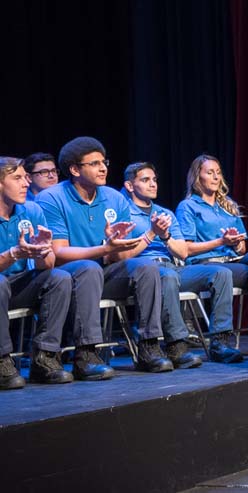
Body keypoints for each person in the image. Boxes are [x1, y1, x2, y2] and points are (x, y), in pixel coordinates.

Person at [37, 136, 173, 376]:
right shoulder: (52, 198)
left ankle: (149, 346)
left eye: (104, 162)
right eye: (95, 163)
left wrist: (123, 245)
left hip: (105, 273)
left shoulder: (114, 198)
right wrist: (105, 248)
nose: (103, 168)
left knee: (145, 266)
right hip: (68, 276)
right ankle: (86, 354)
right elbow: (57, 253)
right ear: (74, 169)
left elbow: (123, 256)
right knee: (87, 268)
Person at [175, 154, 248, 357]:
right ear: (197, 177)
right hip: (205, 266)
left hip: (232, 262)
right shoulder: (188, 206)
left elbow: (243, 250)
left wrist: (236, 242)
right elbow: (187, 249)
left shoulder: (228, 205)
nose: (215, 177)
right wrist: (221, 242)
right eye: (209, 172)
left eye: (218, 173)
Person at [122, 161, 240, 365]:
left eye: (154, 180)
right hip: (142, 271)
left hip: (173, 267)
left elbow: (183, 252)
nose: (153, 184)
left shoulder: (165, 213)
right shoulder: (124, 212)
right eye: (145, 180)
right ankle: (176, 345)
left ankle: (220, 342)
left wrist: (165, 236)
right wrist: (151, 234)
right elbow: (125, 254)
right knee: (166, 276)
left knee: (221, 273)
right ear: (130, 186)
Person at [0, 156, 73, 389]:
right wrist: (14, 253)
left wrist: (42, 251)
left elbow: (49, 263)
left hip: (16, 286)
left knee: (59, 277)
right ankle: (2, 361)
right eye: (18, 178)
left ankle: (45, 357)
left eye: (26, 178)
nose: (26, 184)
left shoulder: (31, 210)